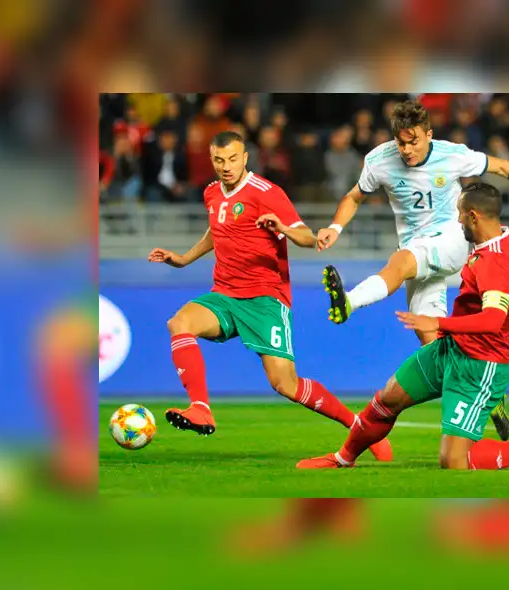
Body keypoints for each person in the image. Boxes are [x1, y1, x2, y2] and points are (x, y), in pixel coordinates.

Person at [298, 182, 509, 470]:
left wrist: (437, 322)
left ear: (473, 216)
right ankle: (343, 459)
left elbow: (493, 320)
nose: (458, 220)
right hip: (451, 349)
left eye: (460, 213)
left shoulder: (493, 263)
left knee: (454, 461)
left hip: (480, 364)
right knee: (387, 400)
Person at [315, 100, 509, 439]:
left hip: (451, 240)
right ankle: (490, 395)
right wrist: (335, 227)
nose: (406, 149)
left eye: (413, 141)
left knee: (401, 261)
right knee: (435, 346)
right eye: (401, 142)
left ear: (428, 135)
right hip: (418, 253)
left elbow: (504, 167)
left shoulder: (452, 155)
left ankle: (349, 302)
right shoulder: (378, 160)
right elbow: (354, 197)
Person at [146, 130, 391, 461]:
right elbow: (216, 231)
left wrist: (283, 229)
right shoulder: (211, 192)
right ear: (212, 160)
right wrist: (183, 259)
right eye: (219, 160)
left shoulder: (267, 193)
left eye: (233, 159)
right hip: (225, 295)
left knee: (285, 384)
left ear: (245, 158)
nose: (226, 166)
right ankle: (201, 408)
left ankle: (357, 425)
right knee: (180, 323)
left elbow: (308, 237)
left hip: (265, 300)